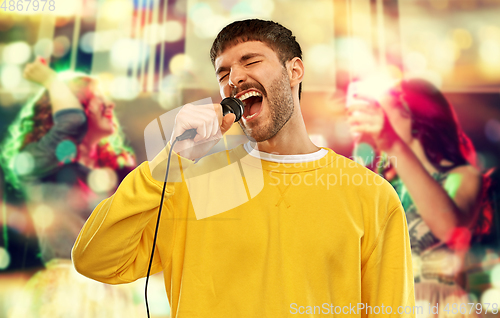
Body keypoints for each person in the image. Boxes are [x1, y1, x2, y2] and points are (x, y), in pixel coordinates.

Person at [73, 19, 415, 317]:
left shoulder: (371, 196)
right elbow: (94, 259)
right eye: (223, 73)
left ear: (294, 70)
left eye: (251, 61)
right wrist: (169, 163)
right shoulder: (186, 184)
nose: (234, 78)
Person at [0, 59, 141, 317]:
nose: (110, 105)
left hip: (107, 292)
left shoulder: (109, 169)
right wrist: (52, 82)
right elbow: (71, 123)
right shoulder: (40, 161)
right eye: (98, 99)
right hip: (62, 296)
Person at [346, 78, 489, 318]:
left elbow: (449, 228)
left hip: (437, 305)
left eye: (382, 110)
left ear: (414, 117)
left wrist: (391, 143)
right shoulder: (380, 180)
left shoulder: (462, 176)